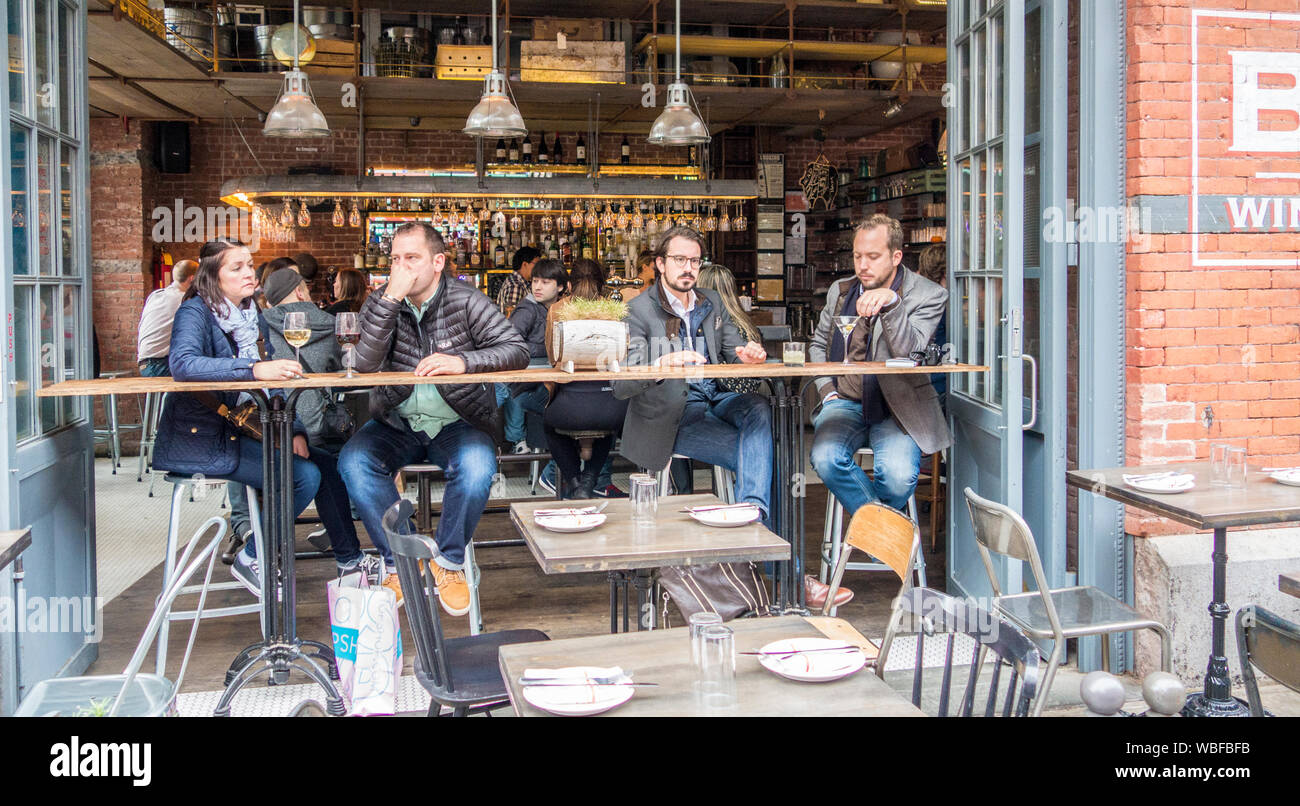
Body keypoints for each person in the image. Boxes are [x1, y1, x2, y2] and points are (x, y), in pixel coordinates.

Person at [151, 239, 366, 597]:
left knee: (326, 465)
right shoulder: (196, 312)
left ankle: (350, 562)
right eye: (236, 267)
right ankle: (253, 555)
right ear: (212, 276)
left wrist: (295, 429)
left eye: (249, 265)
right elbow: (183, 364)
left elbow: (272, 380)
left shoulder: (252, 317)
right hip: (205, 438)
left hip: (247, 429)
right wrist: (252, 368)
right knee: (304, 477)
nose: (249, 273)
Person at [338, 222, 529, 614]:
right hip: (398, 421)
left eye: (412, 258)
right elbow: (364, 365)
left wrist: (463, 361)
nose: (401, 267)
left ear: (438, 262)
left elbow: (516, 350)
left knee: (478, 467)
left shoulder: (467, 300)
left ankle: (448, 562)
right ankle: (403, 558)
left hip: (458, 421)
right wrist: (390, 298)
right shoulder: (380, 301)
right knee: (353, 462)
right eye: (395, 259)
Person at [807, 214, 949, 602]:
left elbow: (909, 351)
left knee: (899, 477)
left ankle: (873, 532)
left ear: (897, 256)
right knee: (825, 457)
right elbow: (818, 347)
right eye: (857, 257)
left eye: (872, 256)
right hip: (846, 402)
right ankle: (887, 536)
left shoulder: (928, 295)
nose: (863, 266)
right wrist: (827, 391)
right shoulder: (840, 290)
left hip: (897, 408)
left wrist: (892, 304)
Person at [611, 226, 773, 524]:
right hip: (672, 417)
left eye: (695, 261)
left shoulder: (711, 301)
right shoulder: (635, 310)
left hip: (716, 401)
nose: (688, 268)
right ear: (660, 263)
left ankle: (753, 517)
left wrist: (749, 357)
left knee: (759, 407)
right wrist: (663, 362)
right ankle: (757, 537)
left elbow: (733, 351)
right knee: (761, 457)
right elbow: (621, 383)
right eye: (680, 260)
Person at [541, 260, 630, 499]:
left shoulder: (557, 310)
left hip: (568, 407)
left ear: (569, 284)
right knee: (608, 423)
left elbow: (552, 357)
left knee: (549, 423)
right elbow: (623, 355)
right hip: (609, 407)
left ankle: (573, 480)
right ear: (603, 286)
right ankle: (589, 481)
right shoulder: (614, 311)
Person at [495, 258, 567, 453]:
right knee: (568, 405)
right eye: (535, 281)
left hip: (541, 381)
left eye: (545, 282)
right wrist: (549, 348)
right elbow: (510, 344)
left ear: (560, 287)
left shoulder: (558, 308)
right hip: (524, 387)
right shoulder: (528, 309)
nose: (537, 287)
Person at [136, 259, 198, 377]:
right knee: (203, 375)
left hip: (146, 363)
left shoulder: (156, 295)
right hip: (159, 364)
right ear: (192, 279)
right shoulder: (183, 300)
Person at [917, 243, 949, 401]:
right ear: (945, 272)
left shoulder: (918, 297)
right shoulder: (941, 302)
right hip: (941, 384)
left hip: (922, 382)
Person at [494, 245, 541, 315]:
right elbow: (512, 319)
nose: (539, 268)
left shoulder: (522, 283)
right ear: (525, 264)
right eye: (536, 264)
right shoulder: (515, 286)